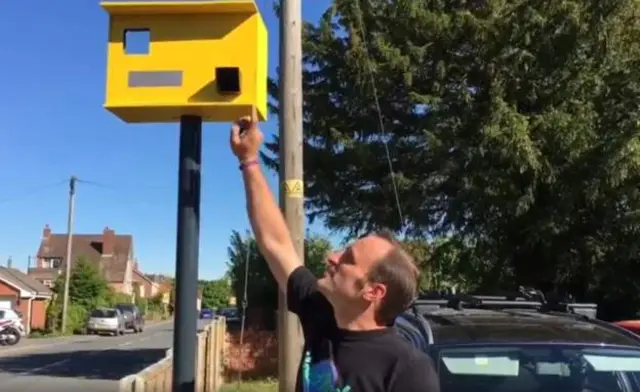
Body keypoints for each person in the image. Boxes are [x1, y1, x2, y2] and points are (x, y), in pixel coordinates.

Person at [230, 108, 440, 392]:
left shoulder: (408, 370)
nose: (332, 256)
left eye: (348, 259)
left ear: (373, 291)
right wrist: (249, 159)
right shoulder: (320, 310)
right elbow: (276, 243)